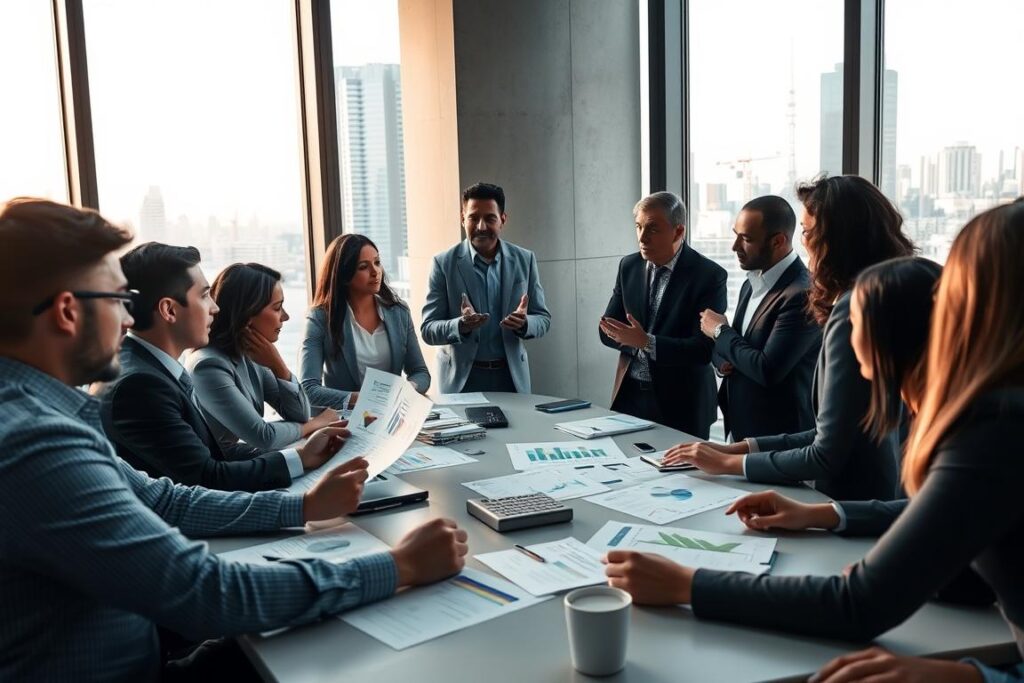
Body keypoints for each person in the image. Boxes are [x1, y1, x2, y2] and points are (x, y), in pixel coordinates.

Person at [0, 198, 469, 681]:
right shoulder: (34, 444)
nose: (127, 319)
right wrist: (399, 567)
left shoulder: (42, 414)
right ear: (66, 312)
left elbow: (165, 500)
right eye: (118, 300)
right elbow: (206, 593)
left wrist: (301, 508)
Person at [603, 201, 1024, 683]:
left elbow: (859, 604)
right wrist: (826, 513)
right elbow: (940, 514)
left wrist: (686, 583)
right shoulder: (994, 414)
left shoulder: (992, 428)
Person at [663, 176, 914, 500]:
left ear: (836, 240)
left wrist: (730, 462)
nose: (804, 243)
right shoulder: (884, 299)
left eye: (808, 232)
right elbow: (836, 430)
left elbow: (825, 449)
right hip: (868, 490)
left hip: (852, 494)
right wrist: (739, 449)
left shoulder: (851, 312)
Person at [97, 243, 342, 492]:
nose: (215, 308)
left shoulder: (154, 369)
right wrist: (301, 470)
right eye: (204, 296)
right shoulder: (140, 386)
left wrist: (303, 456)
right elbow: (206, 478)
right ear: (169, 310)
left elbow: (210, 460)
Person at [599, 191, 727, 439]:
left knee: (682, 477)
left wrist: (646, 342)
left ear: (678, 232)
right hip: (630, 397)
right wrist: (632, 340)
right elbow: (606, 329)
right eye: (638, 227)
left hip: (683, 404)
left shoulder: (709, 276)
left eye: (653, 229)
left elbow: (703, 350)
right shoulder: (629, 266)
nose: (642, 237)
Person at [700, 195, 821, 441]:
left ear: (778, 241)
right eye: (736, 235)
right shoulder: (751, 282)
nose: (735, 246)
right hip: (740, 428)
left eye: (746, 239)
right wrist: (721, 360)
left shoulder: (802, 293)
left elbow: (768, 369)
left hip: (779, 438)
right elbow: (739, 346)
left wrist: (719, 332)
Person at [185, 262, 338, 450]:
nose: (286, 317)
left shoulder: (251, 355)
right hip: (225, 472)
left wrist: (279, 366)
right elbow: (263, 437)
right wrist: (314, 424)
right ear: (247, 313)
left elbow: (300, 414)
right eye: (277, 308)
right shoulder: (207, 366)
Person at [420, 182, 551, 393]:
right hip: (461, 382)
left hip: (511, 378)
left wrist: (524, 323)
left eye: (490, 218)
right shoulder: (443, 263)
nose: (481, 226)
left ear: (502, 220)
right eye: (473, 218)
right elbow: (428, 329)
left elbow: (543, 319)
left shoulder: (524, 259)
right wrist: (460, 325)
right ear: (463, 219)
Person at [300, 233, 430, 410]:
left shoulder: (399, 312)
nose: (375, 272)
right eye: (363, 267)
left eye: (377, 262)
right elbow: (309, 390)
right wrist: (365, 399)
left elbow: (421, 374)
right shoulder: (320, 318)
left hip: (390, 416)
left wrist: (405, 390)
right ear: (344, 275)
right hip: (342, 421)